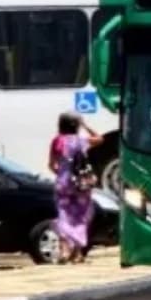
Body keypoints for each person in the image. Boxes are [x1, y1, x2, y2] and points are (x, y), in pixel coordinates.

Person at [48, 113, 103, 264]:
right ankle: (77, 253)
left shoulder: (57, 141)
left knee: (64, 216)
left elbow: (52, 164)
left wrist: (61, 174)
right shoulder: (82, 141)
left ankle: (65, 250)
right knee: (81, 217)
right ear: (76, 126)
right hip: (81, 185)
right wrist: (85, 125)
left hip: (63, 184)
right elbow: (100, 138)